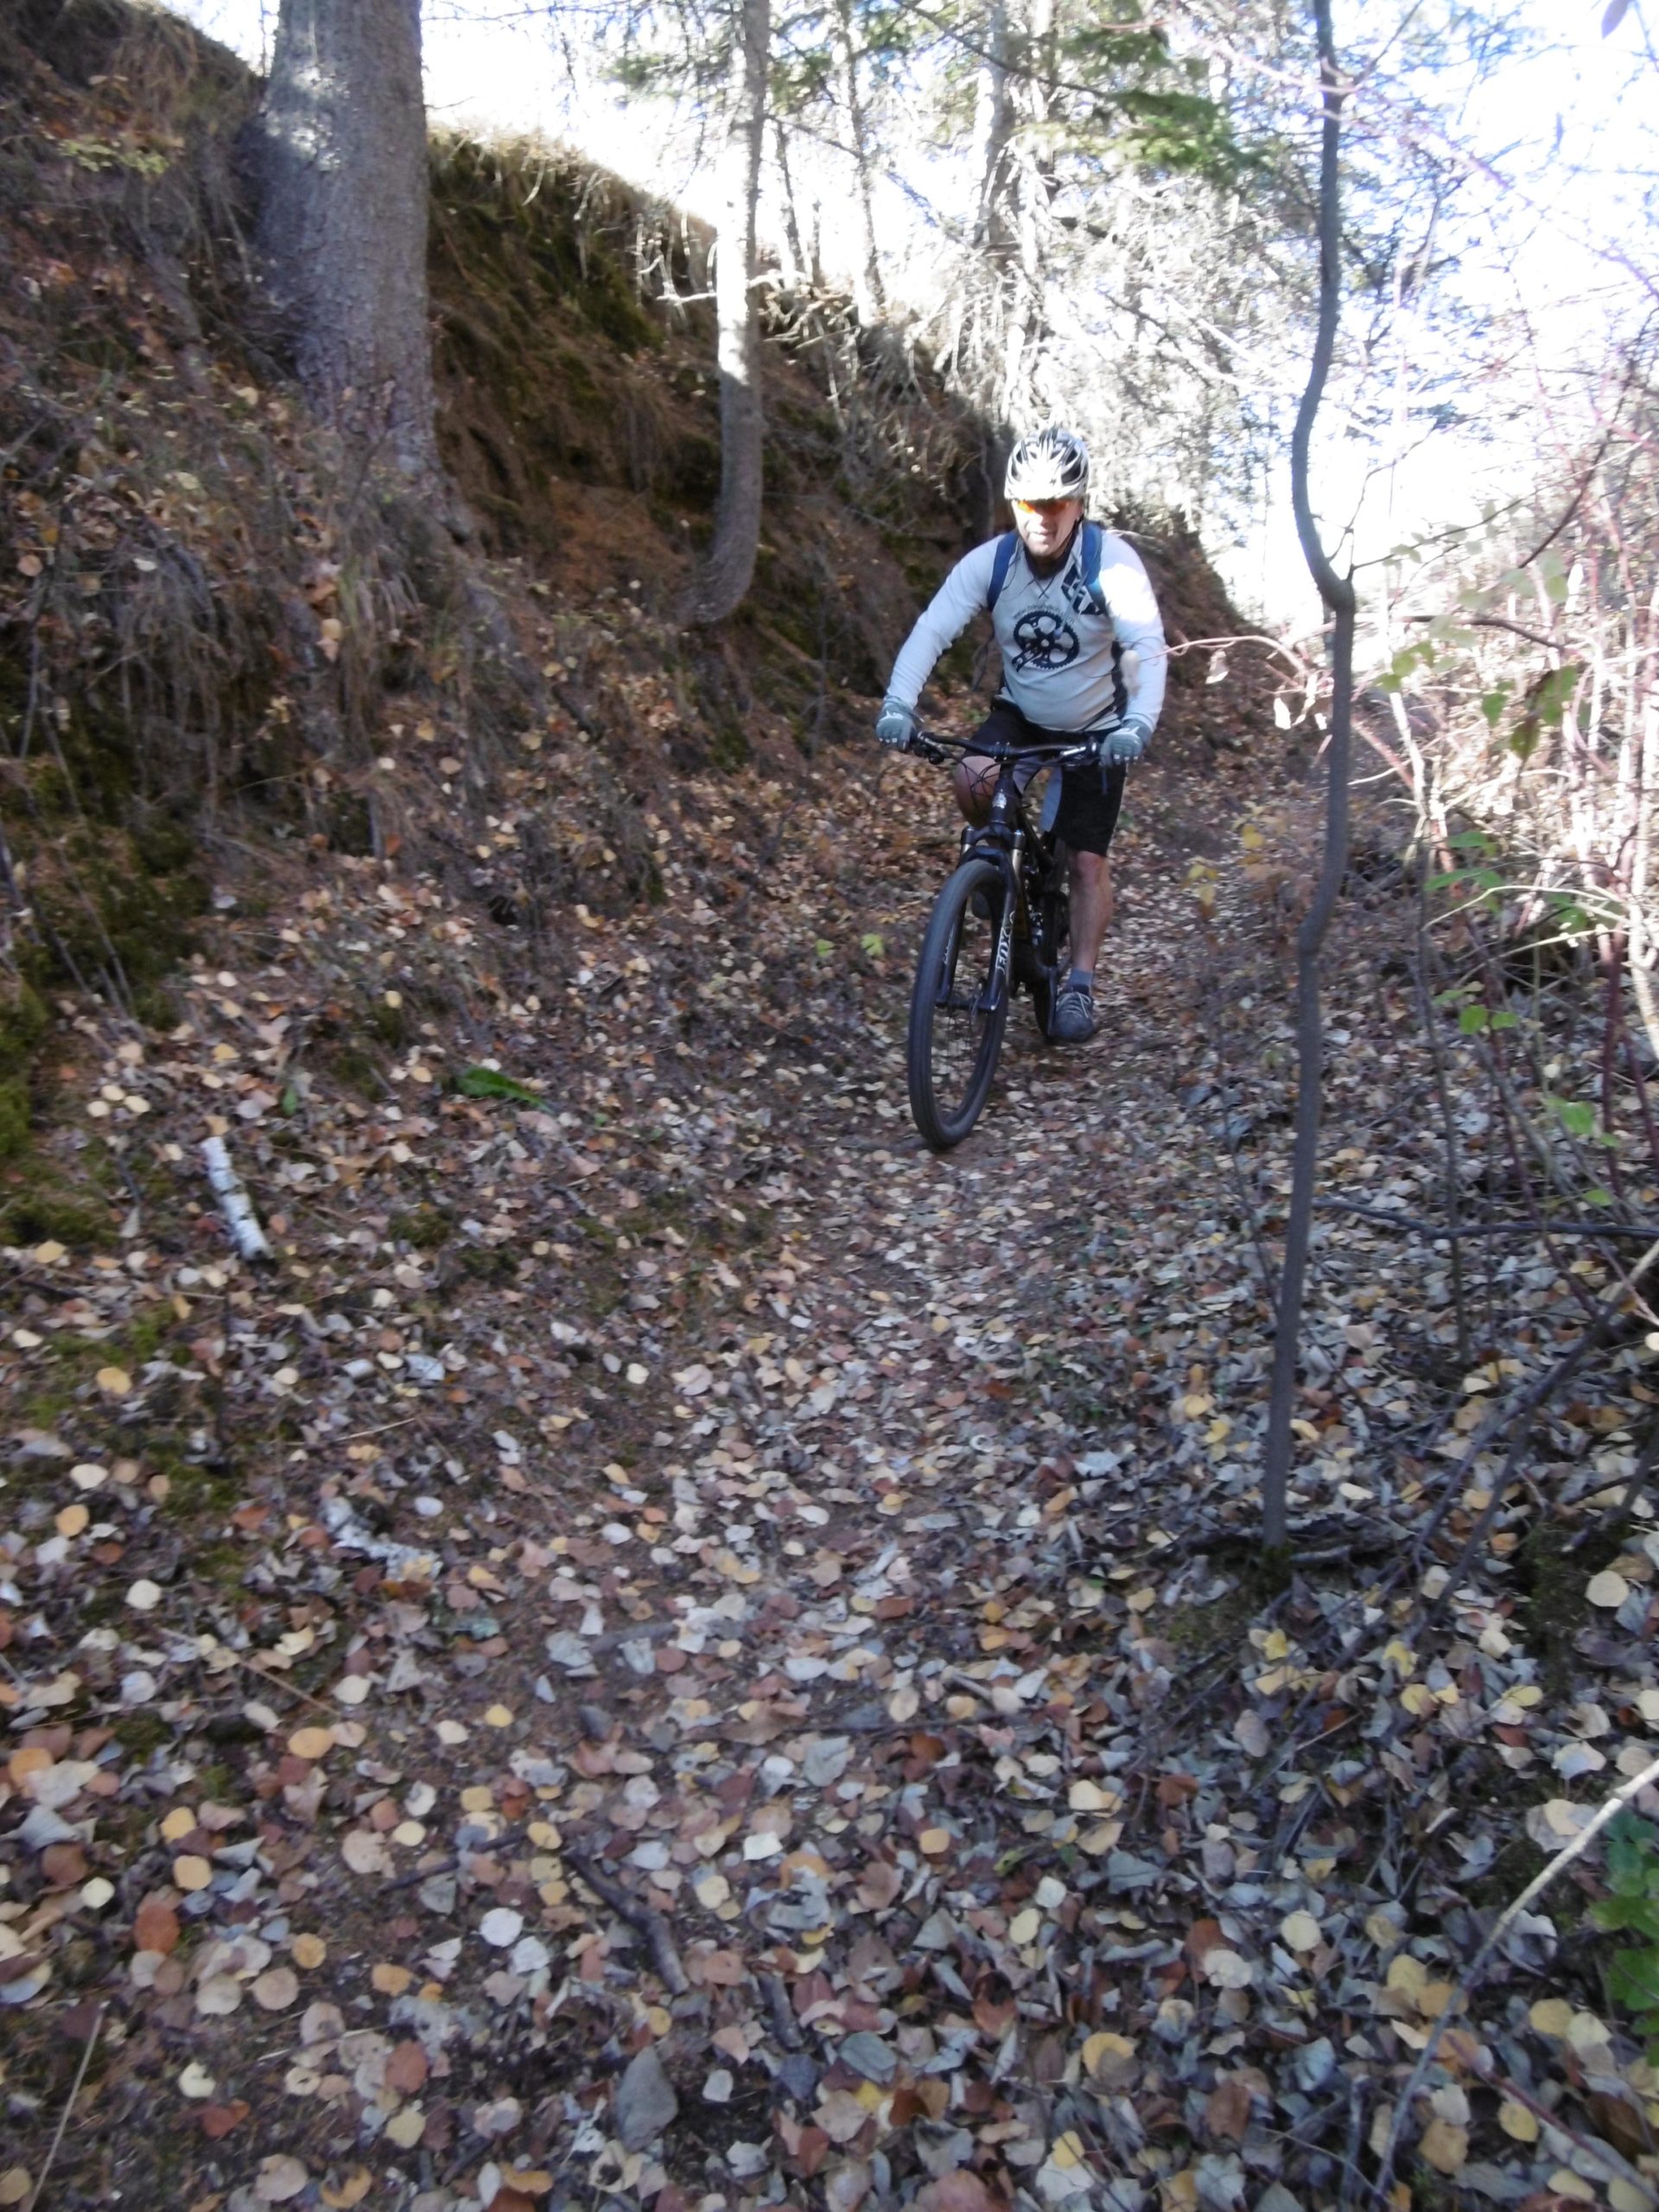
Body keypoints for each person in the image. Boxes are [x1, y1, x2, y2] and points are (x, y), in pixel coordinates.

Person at [874, 426, 1166, 1044]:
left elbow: (1146, 647)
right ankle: (990, 866)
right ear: (1014, 504)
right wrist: (899, 703)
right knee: (972, 776)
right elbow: (932, 630)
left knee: (1087, 861)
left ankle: (1080, 985)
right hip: (1023, 712)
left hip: (1097, 725)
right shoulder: (994, 563)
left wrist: (1137, 722)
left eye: (1058, 503)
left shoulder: (1109, 563)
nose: (1044, 517)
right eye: (1032, 503)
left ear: (1080, 503)